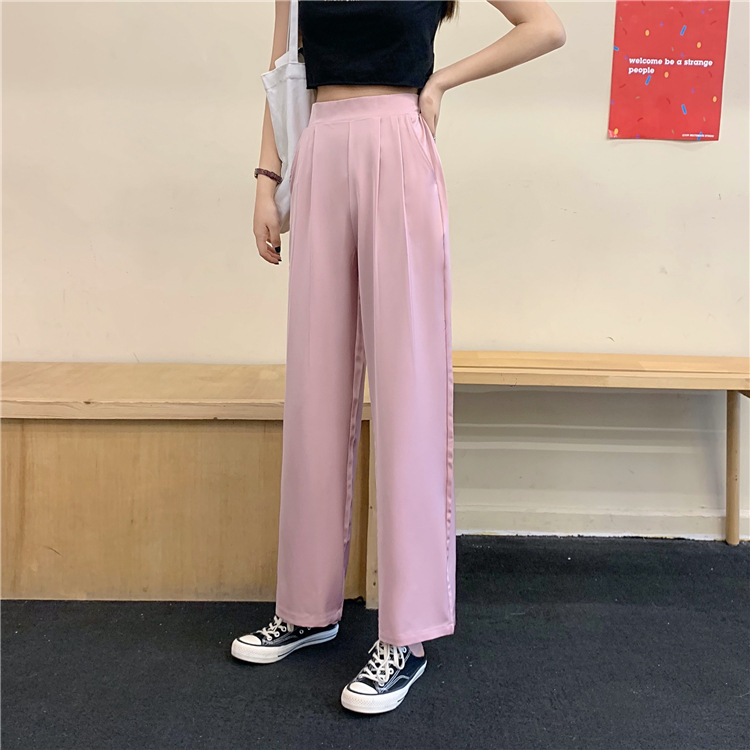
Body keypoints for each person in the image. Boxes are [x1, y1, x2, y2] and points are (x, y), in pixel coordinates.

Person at [232, 0, 565, 715]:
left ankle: (406, 634)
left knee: (409, 386)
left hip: (398, 140)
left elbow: (545, 26)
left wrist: (440, 82)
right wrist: (266, 179)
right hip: (320, 144)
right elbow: (283, 67)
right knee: (316, 385)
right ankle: (306, 608)